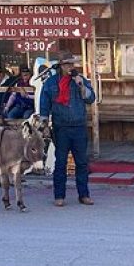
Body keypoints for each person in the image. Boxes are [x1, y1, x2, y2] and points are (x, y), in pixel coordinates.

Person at [39, 52, 96, 206]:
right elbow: (44, 104)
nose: (70, 67)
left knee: (82, 162)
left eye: (72, 64)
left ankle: (84, 194)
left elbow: (91, 98)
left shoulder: (80, 79)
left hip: (78, 126)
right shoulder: (51, 83)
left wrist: (81, 85)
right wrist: (44, 124)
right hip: (61, 127)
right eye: (67, 64)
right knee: (61, 162)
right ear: (61, 66)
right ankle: (59, 196)